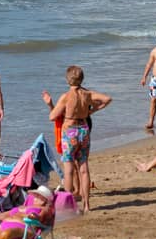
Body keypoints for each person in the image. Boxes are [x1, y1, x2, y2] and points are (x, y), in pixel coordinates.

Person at [43, 66, 112, 212]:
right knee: (84, 168)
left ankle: (70, 205)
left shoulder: (66, 96)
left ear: (68, 80)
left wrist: (50, 104)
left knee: (68, 169)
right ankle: (87, 205)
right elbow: (107, 99)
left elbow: (52, 116)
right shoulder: (87, 94)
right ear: (82, 79)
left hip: (70, 132)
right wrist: (92, 110)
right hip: (84, 130)